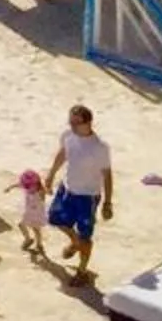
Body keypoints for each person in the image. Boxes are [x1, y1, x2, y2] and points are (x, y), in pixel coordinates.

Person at [48, 104, 115, 284]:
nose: (72, 126)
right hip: (67, 189)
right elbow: (63, 153)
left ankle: (82, 271)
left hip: (87, 197)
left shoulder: (99, 147)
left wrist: (108, 203)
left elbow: (107, 175)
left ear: (88, 123)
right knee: (54, 219)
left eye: (76, 123)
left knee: (86, 236)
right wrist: (51, 174)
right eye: (71, 122)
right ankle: (75, 242)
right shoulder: (68, 135)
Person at [17, 167, 49, 261]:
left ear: (37, 184)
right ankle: (28, 239)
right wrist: (10, 187)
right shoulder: (27, 186)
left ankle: (39, 244)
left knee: (36, 230)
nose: (27, 188)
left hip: (37, 214)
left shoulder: (40, 192)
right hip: (28, 212)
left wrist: (48, 189)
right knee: (21, 225)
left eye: (29, 186)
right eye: (26, 186)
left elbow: (47, 191)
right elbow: (19, 185)